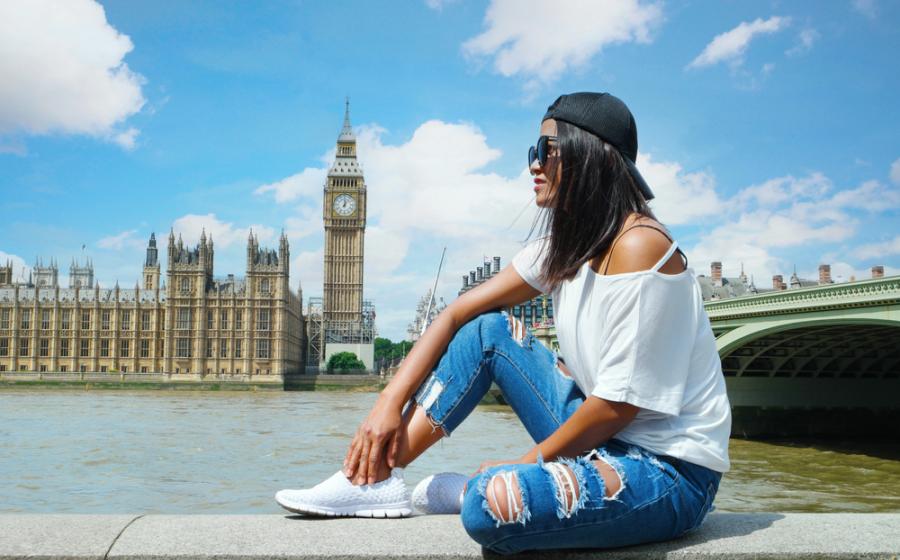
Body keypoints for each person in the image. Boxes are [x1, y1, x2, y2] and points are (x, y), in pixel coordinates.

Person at [275, 92, 732, 555]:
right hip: (605, 439)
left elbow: (617, 407)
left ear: (589, 156)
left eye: (545, 150)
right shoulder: (566, 244)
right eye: (532, 152)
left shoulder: (640, 248)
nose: (533, 164)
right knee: (487, 330)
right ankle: (372, 480)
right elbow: (458, 313)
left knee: (490, 506)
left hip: (667, 472)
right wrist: (387, 403)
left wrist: (519, 466)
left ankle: (476, 487)